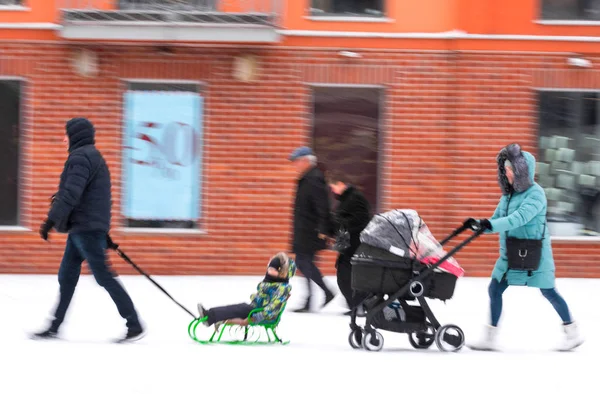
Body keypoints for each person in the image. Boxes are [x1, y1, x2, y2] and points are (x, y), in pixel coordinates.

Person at [32, 118, 144, 343]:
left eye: (66, 134)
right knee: (67, 276)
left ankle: (134, 324)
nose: (63, 139)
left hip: (85, 229)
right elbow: (96, 199)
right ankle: (54, 326)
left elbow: (71, 194)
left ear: (75, 136)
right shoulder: (92, 157)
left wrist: (50, 221)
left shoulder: (81, 158)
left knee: (103, 276)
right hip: (82, 229)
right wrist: (104, 233)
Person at [467, 143, 583, 352]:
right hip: (510, 253)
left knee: (549, 292)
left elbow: (518, 219)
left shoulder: (536, 195)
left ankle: (572, 333)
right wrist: (479, 225)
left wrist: (491, 225)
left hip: (535, 253)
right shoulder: (508, 196)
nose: (506, 172)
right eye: (505, 169)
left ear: (522, 171)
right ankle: (490, 338)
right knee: (495, 288)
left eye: (511, 169)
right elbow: (497, 220)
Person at [288, 146, 336, 312]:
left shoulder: (313, 179)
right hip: (305, 228)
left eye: (297, 161)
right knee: (304, 262)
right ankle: (313, 298)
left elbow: (322, 206)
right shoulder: (308, 178)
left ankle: (324, 292)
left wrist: (323, 229)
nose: (295, 165)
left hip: (310, 230)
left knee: (303, 262)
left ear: (306, 160)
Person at [197, 253, 296, 327]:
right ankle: (210, 315)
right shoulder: (271, 283)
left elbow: (273, 308)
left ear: (282, 272)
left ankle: (210, 317)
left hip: (263, 315)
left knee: (239, 309)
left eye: (274, 270)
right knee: (236, 308)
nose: (269, 272)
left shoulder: (283, 288)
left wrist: (254, 318)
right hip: (255, 309)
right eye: (269, 268)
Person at [328, 173, 372, 315]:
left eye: (333, 187)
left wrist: (340, 223)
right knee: (344, 276)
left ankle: (359, 305)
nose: (333, 191)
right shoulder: (347, 198)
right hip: (349, 245)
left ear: (341, 183)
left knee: (348, 276)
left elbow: (362, 220)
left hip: (356, 245)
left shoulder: (355, 197)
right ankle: (355, 305)